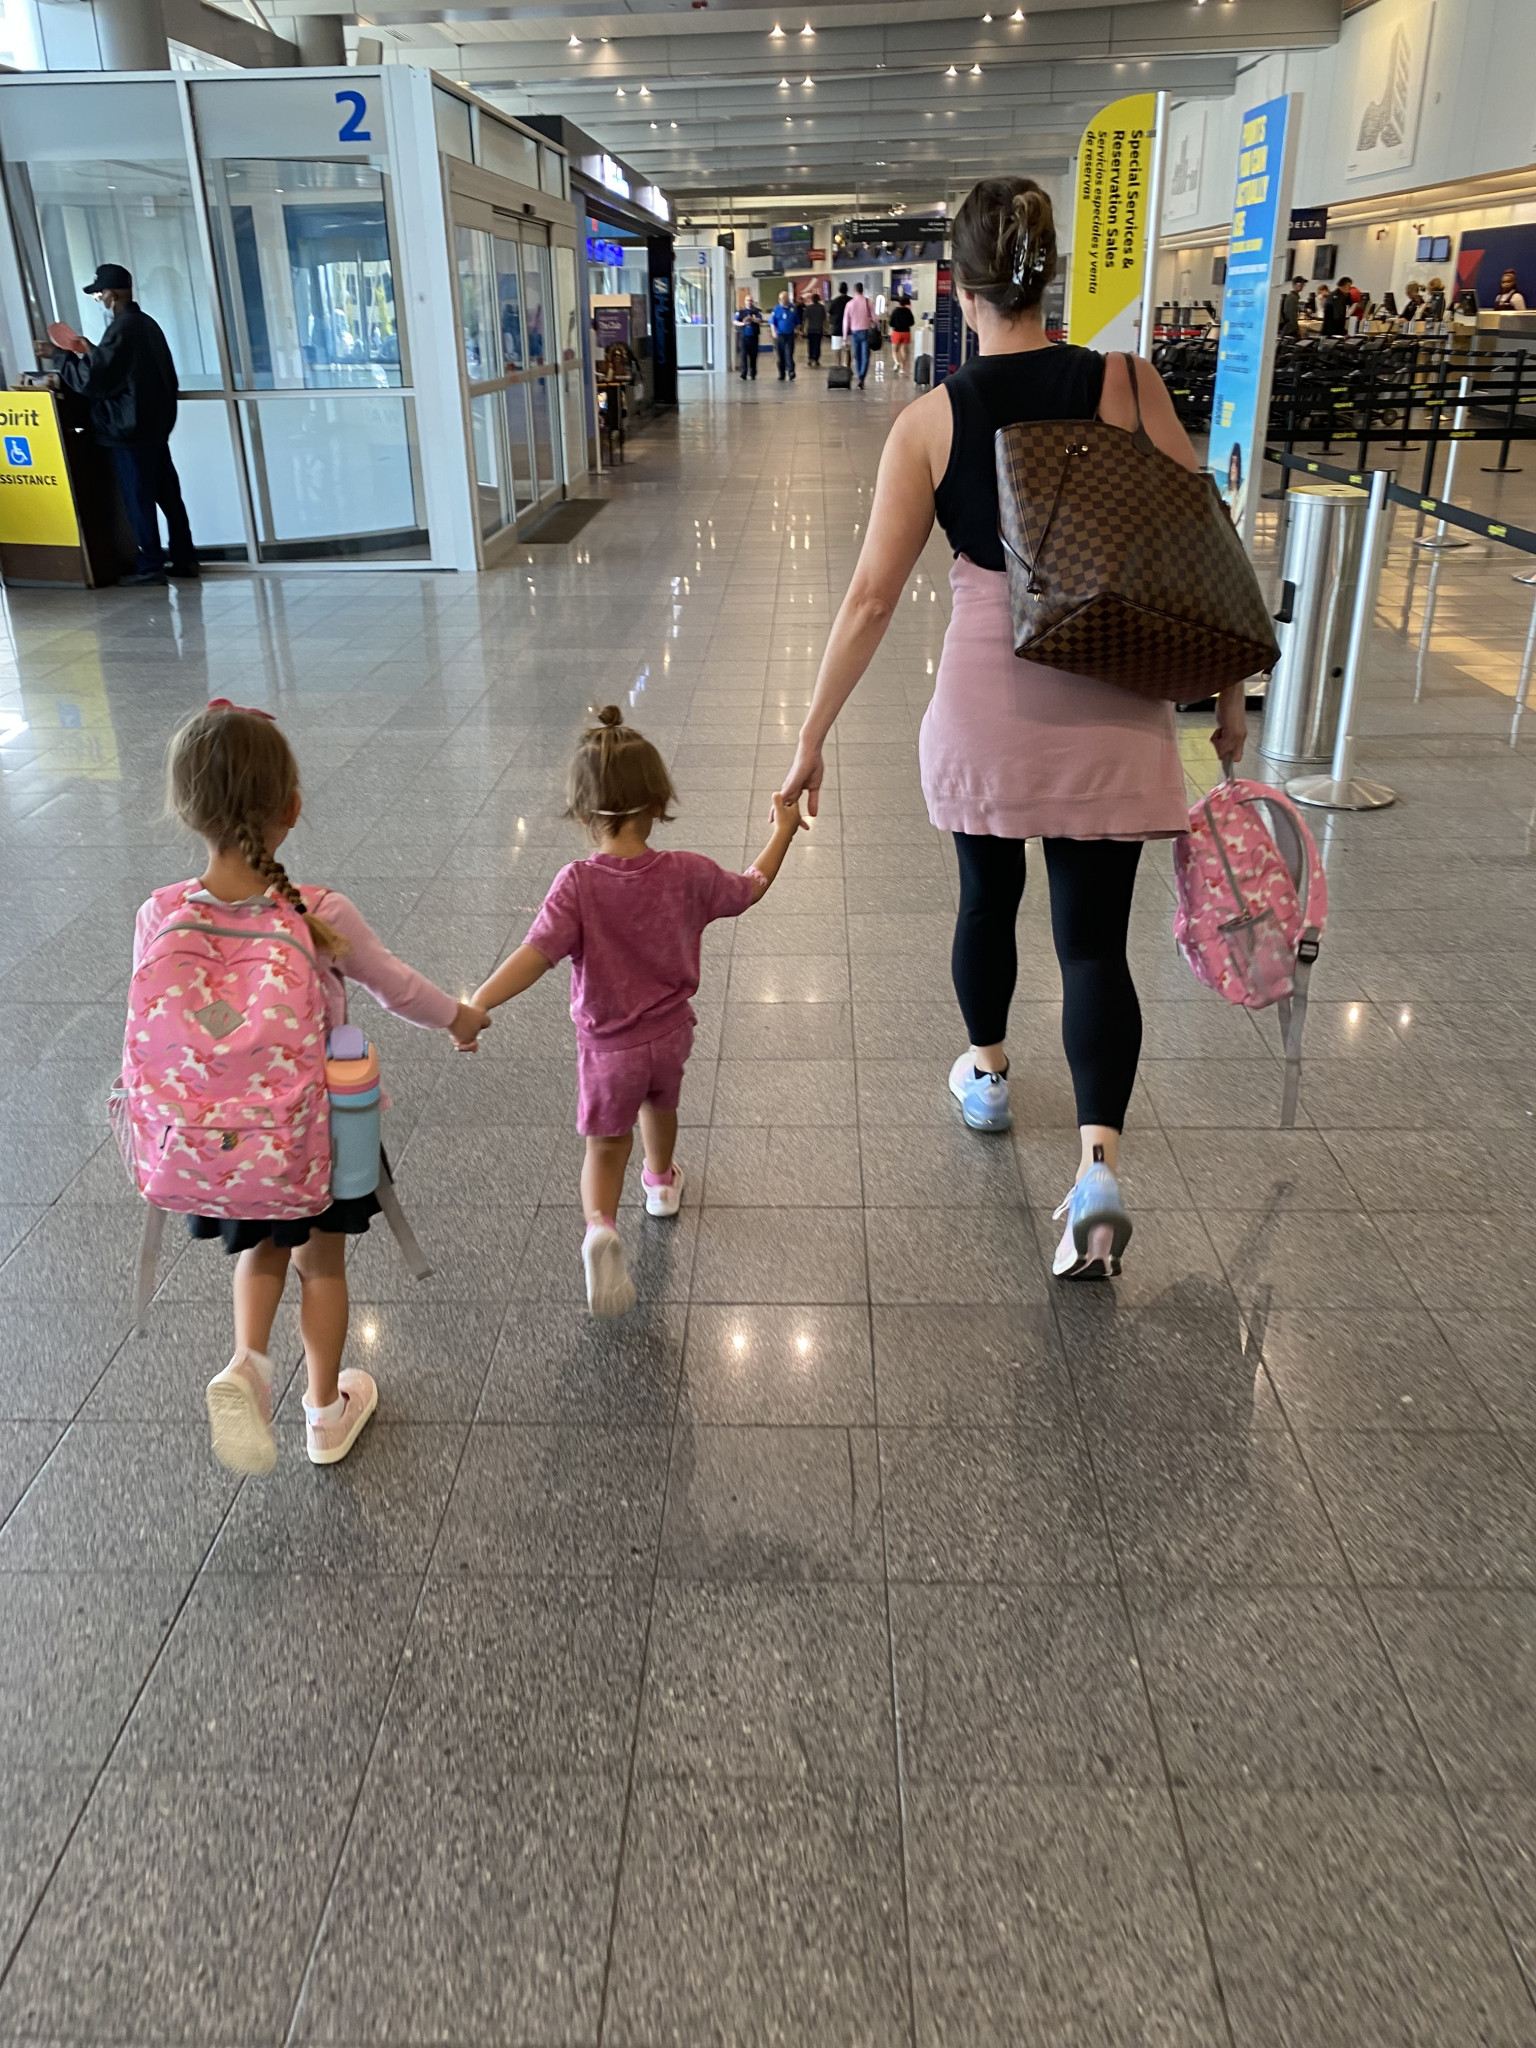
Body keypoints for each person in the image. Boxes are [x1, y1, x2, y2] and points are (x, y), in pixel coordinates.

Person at [778, 175, 1246, 1283]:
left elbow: (871, 599)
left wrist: (810, 736)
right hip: (1116, 694)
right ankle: (1097, 1170)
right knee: (1095, 945)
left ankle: (987, 1074)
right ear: (1052, 275)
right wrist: (1228, 692)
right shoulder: (1128, 383)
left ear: (959, 285)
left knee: (985, 899)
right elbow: (1203, 539)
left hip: (989, 702)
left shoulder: (930, 422)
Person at [144, 703, 489, 1474]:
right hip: (318, 1137)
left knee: (262, 1250)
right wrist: (460, 1018)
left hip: (222, 1140)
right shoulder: (317, 911)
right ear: (291, 809)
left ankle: (248, 1362)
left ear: (185, 808)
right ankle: (325, 1414)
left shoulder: (158, 914)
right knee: (321, 1265)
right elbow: (396, 987)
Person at [470, 707, 806, 1317]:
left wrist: (479, 1002)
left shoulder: (577, 884)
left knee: (604, 1147)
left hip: (608, 1051)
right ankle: (661, 1183)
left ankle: (601, 1226)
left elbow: (535, 955)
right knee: (660, 1105)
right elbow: (751, 886)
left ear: (582, 814)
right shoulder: (687, 873)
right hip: (671, 1036)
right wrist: (783, 829)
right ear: (658, 802)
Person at [46, 263, 196, 587]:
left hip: (129, 433)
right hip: (154, 429)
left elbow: (93, 381)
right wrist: (90, 350)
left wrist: (60, 357)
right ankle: (184, 558)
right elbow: (124, 370)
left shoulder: (122, 329)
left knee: (138, 500)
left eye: (98, 293)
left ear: (112, 294)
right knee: (169, 498)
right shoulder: (146, 324)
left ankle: (150, 565)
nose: (98, 299)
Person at [844, 281, 876, 388]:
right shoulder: (868, 302)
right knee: (865, 357)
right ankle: (862, 378)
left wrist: (844, 337)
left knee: (857, 357)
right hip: (866, 332)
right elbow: (875, 318)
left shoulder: (849, 304)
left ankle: (860, 376)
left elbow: (846, 322)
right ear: (862, 290)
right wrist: (877, 326)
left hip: (854, 333)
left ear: (854, 290)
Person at [770, 290, 800, 381]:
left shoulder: (793, 308)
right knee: (780, 356)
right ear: (779, 299)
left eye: (786, 297)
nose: (785, 299)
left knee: (789, 354)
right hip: (779, 335)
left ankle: (791, 372)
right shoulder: (776, 309)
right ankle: (781, 373)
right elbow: (772, 322)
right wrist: (773, 332)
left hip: (789, 335)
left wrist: (798, 330)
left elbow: (797, 321)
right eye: (783, 298)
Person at [735, 296, 762, 380]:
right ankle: (743, 373)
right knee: (743, 355)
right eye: (747, 300)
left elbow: (759, 320)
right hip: (743, 337)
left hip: (753, 337)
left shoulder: (756, 311)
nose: (749, 302)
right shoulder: (740, 311)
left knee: (753, 356)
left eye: (750, 300)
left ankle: (753, 373)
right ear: (745, 301)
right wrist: (743, 323)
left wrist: (752, 319)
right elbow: (735, 321)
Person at [889, 294, 916, 375]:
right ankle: (902, 368)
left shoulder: (895, 311)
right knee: (904, 351)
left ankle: (896, 362)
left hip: (897, 332)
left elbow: (891, 323)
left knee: (894, 350)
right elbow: (912, 322)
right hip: (906, 332)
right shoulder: (908, 311)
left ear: (899, 303)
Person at [803, 290, 827, 367]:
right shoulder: (822, 308)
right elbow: (824, 319)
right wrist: (825, 329)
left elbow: (805, 318)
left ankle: (810, 358)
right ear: (819, 299)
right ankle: (816, 359)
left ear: (812, 299)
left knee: (810, 344)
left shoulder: (809, 308)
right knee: (817, 345)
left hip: (810, 329)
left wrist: (802, 329)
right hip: (819, 329)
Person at [829, 282, 851, 359]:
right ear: (847, 290)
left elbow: (830, 313)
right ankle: (847, 365)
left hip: (837, 328)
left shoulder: (834, 301)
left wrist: (831, 323)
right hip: (848, 329)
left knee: (837, 350)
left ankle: (838, 364)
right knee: (848, 350)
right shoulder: (851, 300)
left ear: (839, 290)